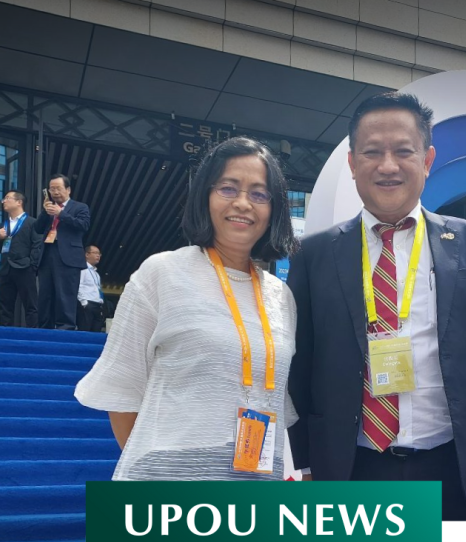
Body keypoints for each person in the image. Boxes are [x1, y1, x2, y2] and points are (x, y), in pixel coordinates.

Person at [288, 92, 466, 521]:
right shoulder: (314, 254)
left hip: (455, 467)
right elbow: (301, 368)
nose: (387, 165)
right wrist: (305, 463)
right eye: (372, 152)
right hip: (351, 469)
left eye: (403, 151)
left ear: (428, 159)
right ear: (351, 162)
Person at [75, 137, 298, 480]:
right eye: (228, 188)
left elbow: (278, 405)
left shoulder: (281, 296)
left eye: (259, 193)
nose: (243, 203)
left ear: (274, 209)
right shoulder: (162, 272)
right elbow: (121, 391)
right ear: (205, 196)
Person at [34, 174, 91, 330]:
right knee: (45, 294)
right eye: (52, 189)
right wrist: (46, 212)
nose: (55, 192)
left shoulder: (80, 207)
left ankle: (65, 327)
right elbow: (38, 229)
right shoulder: (49, 208)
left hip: (68, 257)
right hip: (47, 254)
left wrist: (61, 214)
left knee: (65, 293)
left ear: (68, 190)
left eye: (58, 188)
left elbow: (83, 225)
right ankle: (44, 327)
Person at [0, 190, 41, 327]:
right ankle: (3, 337)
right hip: (5, 269)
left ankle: (33, 335)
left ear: (19, 202)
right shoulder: (3, 225)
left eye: (7, 198)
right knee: (5, 306)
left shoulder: (32, 222)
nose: (4, 201)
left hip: (24, 267)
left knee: (30, 304)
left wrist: (32, 266)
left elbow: (37, 245)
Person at [77, 244, 106, 332]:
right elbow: (79, 285)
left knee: (96, 332)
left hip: (98, 305)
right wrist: (84, 302)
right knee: (85, 332)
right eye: (95, 253)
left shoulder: (96, 273)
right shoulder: (82, 269)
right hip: (88, 304)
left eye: (99, 254)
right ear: (87, 254)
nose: (98, 255)